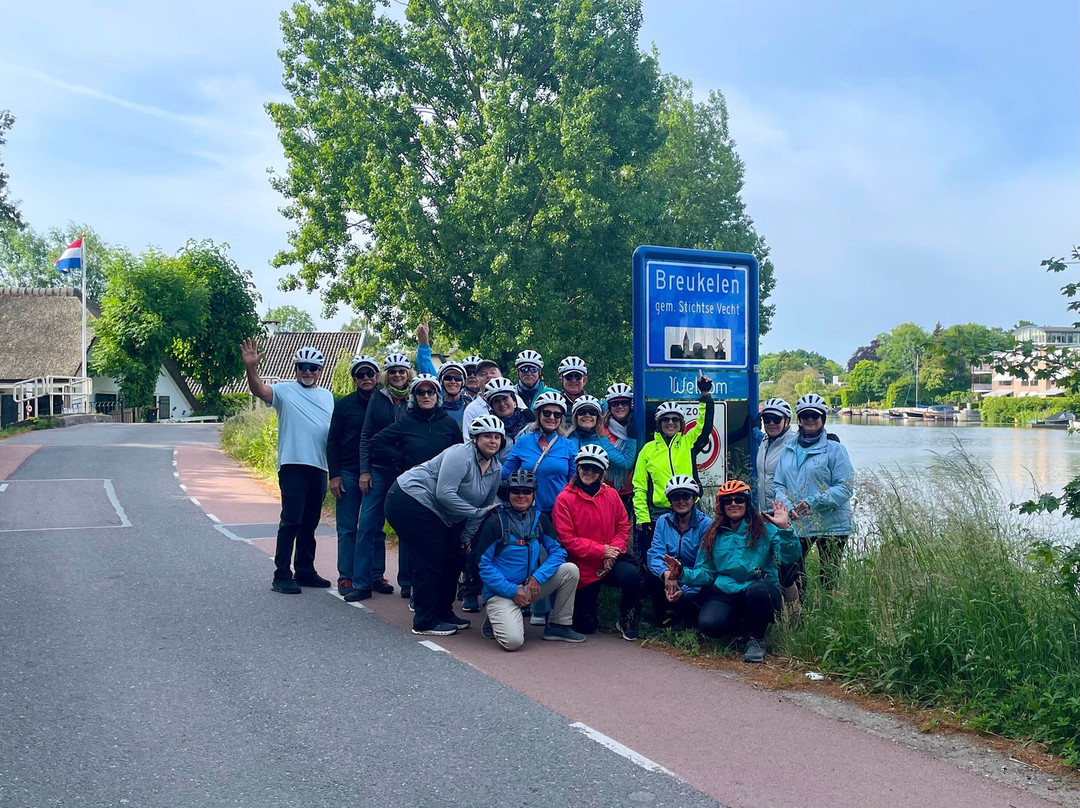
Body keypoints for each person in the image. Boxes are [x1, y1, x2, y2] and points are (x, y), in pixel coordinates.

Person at [384, 415, 505, 635]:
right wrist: (476, 512)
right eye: (487, 436)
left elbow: (484, 507)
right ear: (475, 439)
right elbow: (444, 493)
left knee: (455, 556)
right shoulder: (461, 454)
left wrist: (466, 537)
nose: (493, 441)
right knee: (431, 558)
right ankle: (425, 621)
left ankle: (444, 613)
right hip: (409, 498)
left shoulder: (496, 469)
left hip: (443, 514)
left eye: (497, 437)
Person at [662, 480, 799, 663]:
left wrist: (784, 528)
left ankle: (757, 640)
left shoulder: (765, 529)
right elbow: (707, 572)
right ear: (722, 505)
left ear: (747, 503)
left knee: (758, 591)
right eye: (728, 501)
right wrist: (682, 573)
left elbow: (790, 557)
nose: (734, 504)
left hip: (761, 589)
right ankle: (742, 628)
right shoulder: (713, 534)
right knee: (709, 624)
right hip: (727, 592)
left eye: (739, 499)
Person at [241, 339, 334, 594]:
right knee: (291, 521)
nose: (307, 371)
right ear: (296, 368)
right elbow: (260, 390)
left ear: (320, 370)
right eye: (303, 366)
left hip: (320, 466)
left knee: (310, 522)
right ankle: (281, 574)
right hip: (293, 464)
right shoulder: (284, 391)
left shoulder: (327, 396)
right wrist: (251, 368)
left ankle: (305, 570)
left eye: (313, 367)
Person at [359, 374, 463, 602]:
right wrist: (401, 457)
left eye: (430, 391)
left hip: (442, 488)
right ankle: (410, 585)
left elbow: (460, 452)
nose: (426, 396)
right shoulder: (406, 422)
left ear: (437, 395)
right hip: (414, 489)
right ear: (414, 397)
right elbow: (375, 442)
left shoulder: (448, 424)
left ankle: (438, 594)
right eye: (420, 392)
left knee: (440, 541)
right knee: (415, 538)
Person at [474, 469, 585, 649]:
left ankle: (558, 625)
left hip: (529, 586)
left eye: (527, 491)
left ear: (533, 494)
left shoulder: (539, 519)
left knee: (570, 570)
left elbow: (559, 552)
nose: (521, 495)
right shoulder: (495, 521)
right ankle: (495, 618)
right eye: (515, 491)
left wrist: (538, 577)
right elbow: (483, 565)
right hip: (501, 591)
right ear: (508, 493)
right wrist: (511, 590)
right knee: (513, 643)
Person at [500, 390, 576, 625]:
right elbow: (505, 473)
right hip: (528, 511)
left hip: (556, 512)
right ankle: (537, 608)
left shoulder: (567, 445)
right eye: (547, 413)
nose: (552, 417)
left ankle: (552, 608)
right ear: (538, 415)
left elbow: (573, 480)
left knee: (553, 557)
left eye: (556, 414)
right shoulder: (523, 442)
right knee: (532, 556)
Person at [553, 444, 641, 640]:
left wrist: (613, 552)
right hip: (583, 567)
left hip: (610, 561)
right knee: (585, 627)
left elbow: (623, 526)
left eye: (595, 469)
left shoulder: (611, 495)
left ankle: (626, 617)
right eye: (585, 467)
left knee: (632, 576)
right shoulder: (564, 499)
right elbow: (568, 540)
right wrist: (602, 551)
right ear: (578, 468)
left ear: (602, 473)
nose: (589, 472)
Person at [773, 393, 854, 593]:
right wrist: (787, 506)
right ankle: (798, 609)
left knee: (828, 577)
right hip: (799, 521)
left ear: (823, 418)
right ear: (799, 419)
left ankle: (828, 609)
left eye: (814, 415)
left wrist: (812, 502)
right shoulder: (788, 448)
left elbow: (845, 487)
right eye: (805, 415)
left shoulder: (835, 449)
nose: (810, 419)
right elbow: (779, 484)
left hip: (833, 524)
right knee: (791, 572)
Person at [631, 374, 714, 560]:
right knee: (658, 559)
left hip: (689, 505)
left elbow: (704, 426)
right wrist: (643, 518)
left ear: (681, 423)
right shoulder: (648, 450)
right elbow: (639, 486)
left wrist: (705, 395)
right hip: (659, 512)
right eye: (665, 419)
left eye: (675, 419)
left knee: (694, 556)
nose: (670, 422)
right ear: (659, 423)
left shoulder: (688, 443)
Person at [352, 352, 414, 600]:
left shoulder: (417, 396)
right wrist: (364, 470)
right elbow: (366, 435)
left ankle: (407, 581)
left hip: (406, 471)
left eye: (401, 371)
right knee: (368, 525)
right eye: (393, 371)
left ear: (408, 374)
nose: (397, 375)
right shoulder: (378, 398)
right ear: (387, 375)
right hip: (378, 469)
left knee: (406, 526)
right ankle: (361, 582)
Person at [327, 354, 380, 594]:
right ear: (354, 379)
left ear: (377, 376)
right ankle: (346, 576)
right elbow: (333, 441)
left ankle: (376, 574)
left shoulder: (385, 402)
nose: (366, 378)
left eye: (370, 373)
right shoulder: (344, 405)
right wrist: (334, 474)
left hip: (377, 472)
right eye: (361, 374)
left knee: (375, 527)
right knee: (348, 527)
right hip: (348, 471)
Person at [645, 475, 709, 627]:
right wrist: (667, 574)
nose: (681, 501)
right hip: (670, 578)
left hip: (693, 579)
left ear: (694, 498)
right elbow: (655, 554)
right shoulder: (663, 521)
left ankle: (684, 613)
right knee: (649, 575)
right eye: (675, 497)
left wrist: (685, 590)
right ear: (670, 501)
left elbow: (703, 565)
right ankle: (664, 616)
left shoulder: (706, 524)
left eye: (686, 496)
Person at [602, 383, 638, 521]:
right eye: (615, 403)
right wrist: (631, 436)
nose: (620, 406)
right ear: (609, 407)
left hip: (632, 490)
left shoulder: (639, 425)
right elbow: (627, 462)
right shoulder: (603, 431)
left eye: (624, 402)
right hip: (608, 489)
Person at [556, 356, 589, 429]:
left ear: (584, 380)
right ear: (561, 380)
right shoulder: (554, 404)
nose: (573, 380)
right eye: (569, 376)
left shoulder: (593, 405)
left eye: (578, 376)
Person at [437, 361, 469, 425]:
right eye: (448, 378)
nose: (453, 381)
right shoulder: (435, 409)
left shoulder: (471, 407)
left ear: (462, 382)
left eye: (457, 378)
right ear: (441, 382)